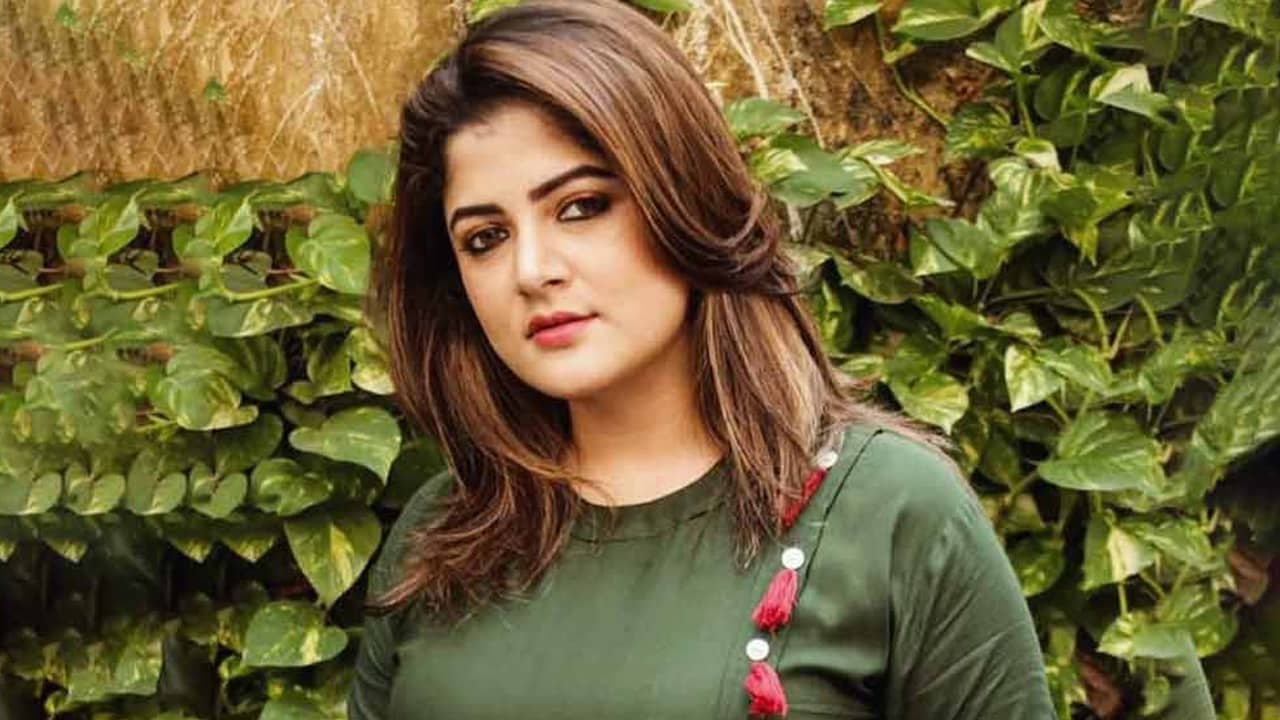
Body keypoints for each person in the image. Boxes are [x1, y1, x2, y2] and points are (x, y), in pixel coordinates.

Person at [349, 1, 1061, 717]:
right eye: (485, 238)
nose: (531, 270)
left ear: (683, 197)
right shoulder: (441, 535)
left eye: (581, 206)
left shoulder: (891, 514)